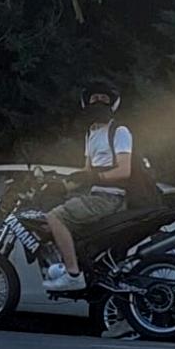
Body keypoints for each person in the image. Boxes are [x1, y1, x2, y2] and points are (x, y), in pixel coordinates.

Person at [41, 80, 134, 292]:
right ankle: (69, 266)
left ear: (112, 104)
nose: (99, 101)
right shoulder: (90, 132)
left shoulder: (119, 131)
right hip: (96, 196)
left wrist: (96, 178)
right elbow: (85, 174)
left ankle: (73, 276)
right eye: (95, 99)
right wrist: (61, 187)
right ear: (87, 103)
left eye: (104, 99)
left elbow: (124, 170)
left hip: (111, 198)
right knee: (47, 224)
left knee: (55, 217)